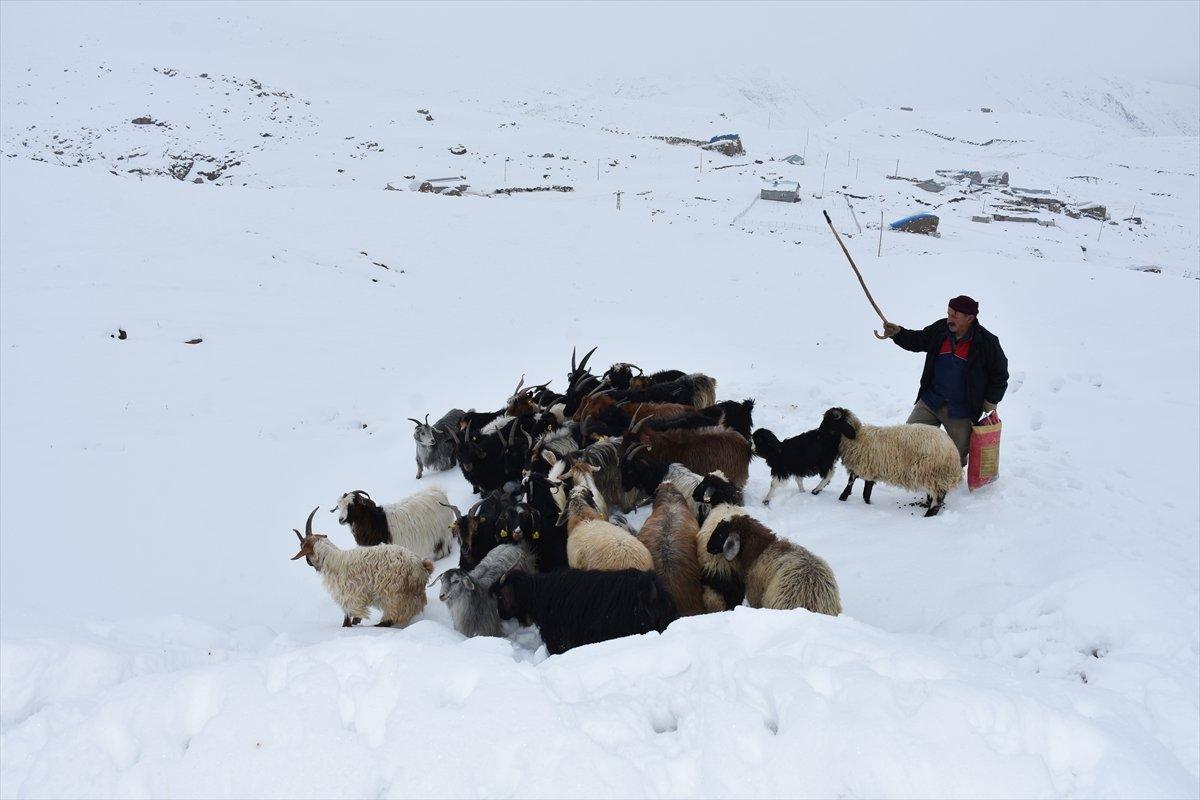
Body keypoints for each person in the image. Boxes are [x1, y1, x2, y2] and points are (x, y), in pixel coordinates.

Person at [882, 295, 1008, 466]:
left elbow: (1000, 375)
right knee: (908, 441)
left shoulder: (986, 343)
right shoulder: (941, 329)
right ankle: (915, 473)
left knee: (954, 458)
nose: (949, 319)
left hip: (961, 410)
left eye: (955, 315)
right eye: (948, 313)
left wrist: (991, 400)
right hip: (931, 400)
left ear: (970, 318)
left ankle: (949, 478)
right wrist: (898, 333)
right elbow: (919, 340)